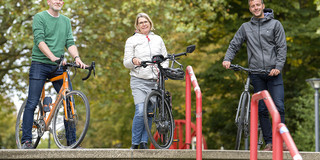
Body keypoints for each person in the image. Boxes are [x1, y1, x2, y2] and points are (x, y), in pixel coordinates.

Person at [222, 0, 287, 151]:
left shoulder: (275, 25)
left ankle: (282, 141)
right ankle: (269, 143)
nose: (256, 8)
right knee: (262, 109)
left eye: (258, 5)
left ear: (263, 6)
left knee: (279, 106)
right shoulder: (246, 27)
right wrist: (227, 59)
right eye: (253, 6)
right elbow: (234, 44)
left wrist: (278, 67)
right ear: (250, 9)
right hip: (256, 74)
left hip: (273, 73)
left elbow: (281, 47)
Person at [21, 0, 87, 149]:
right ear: (48, 1)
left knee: (69, 101)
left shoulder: (66, 21)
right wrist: (53, 57)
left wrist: (77, 58)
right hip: (40, 63)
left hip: (58, 65)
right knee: (32, 102)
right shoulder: (40, 17)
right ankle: (26, 140)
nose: (58, 1)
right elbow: (40, 40)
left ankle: (72, 143)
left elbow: (70, 42)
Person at [123, 13, 169, 149]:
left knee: (149, 112)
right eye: (141, 22)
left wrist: (162, 71)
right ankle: (135, 143)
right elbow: (126, 62)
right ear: (137, 26)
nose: (144, 24)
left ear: (150, 23)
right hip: (138, 79)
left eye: (146, 21)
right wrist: (133, 60)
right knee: (140, 110)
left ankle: (144, 142)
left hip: (154, 81)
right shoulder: (131, 40)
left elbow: (165, 58)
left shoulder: (158, 39)